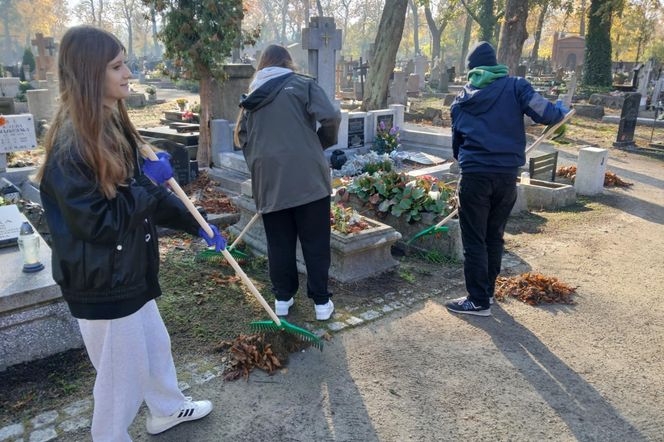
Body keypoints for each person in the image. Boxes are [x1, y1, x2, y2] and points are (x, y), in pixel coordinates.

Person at [37, 26, 225, 441]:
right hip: (101, 280)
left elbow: (149, 202)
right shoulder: (73, 147)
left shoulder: (113, 127)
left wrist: (199, 225)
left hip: (128, 269)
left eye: (126, 63)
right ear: (90, 74)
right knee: (119, 378)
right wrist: (146, 186)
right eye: (117, 66)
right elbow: (98, 225)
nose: (128, 73)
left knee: (155, 346)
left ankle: (166, 410)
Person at [447, 41, 567, 316]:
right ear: (495, 65)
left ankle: (478, 300)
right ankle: (486, 293)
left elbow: (457, 145)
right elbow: (546, 114)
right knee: (494, 236)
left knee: (475, 239)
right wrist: (559, 109)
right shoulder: (517, 87)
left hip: (475, 175)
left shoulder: (462, 101)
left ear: (472, 70)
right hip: (506, 177)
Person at [234, 44, 341, 321]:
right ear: (288, 62)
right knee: (315, 241)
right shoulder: (302, 85)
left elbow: (243, 137)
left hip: (270, 180)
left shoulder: (251, 97)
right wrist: (319, 144)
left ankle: (282, 298)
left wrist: (261, 164)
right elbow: (331, 115)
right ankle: (320, 304)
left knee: (279, 242)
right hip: (308, 177)